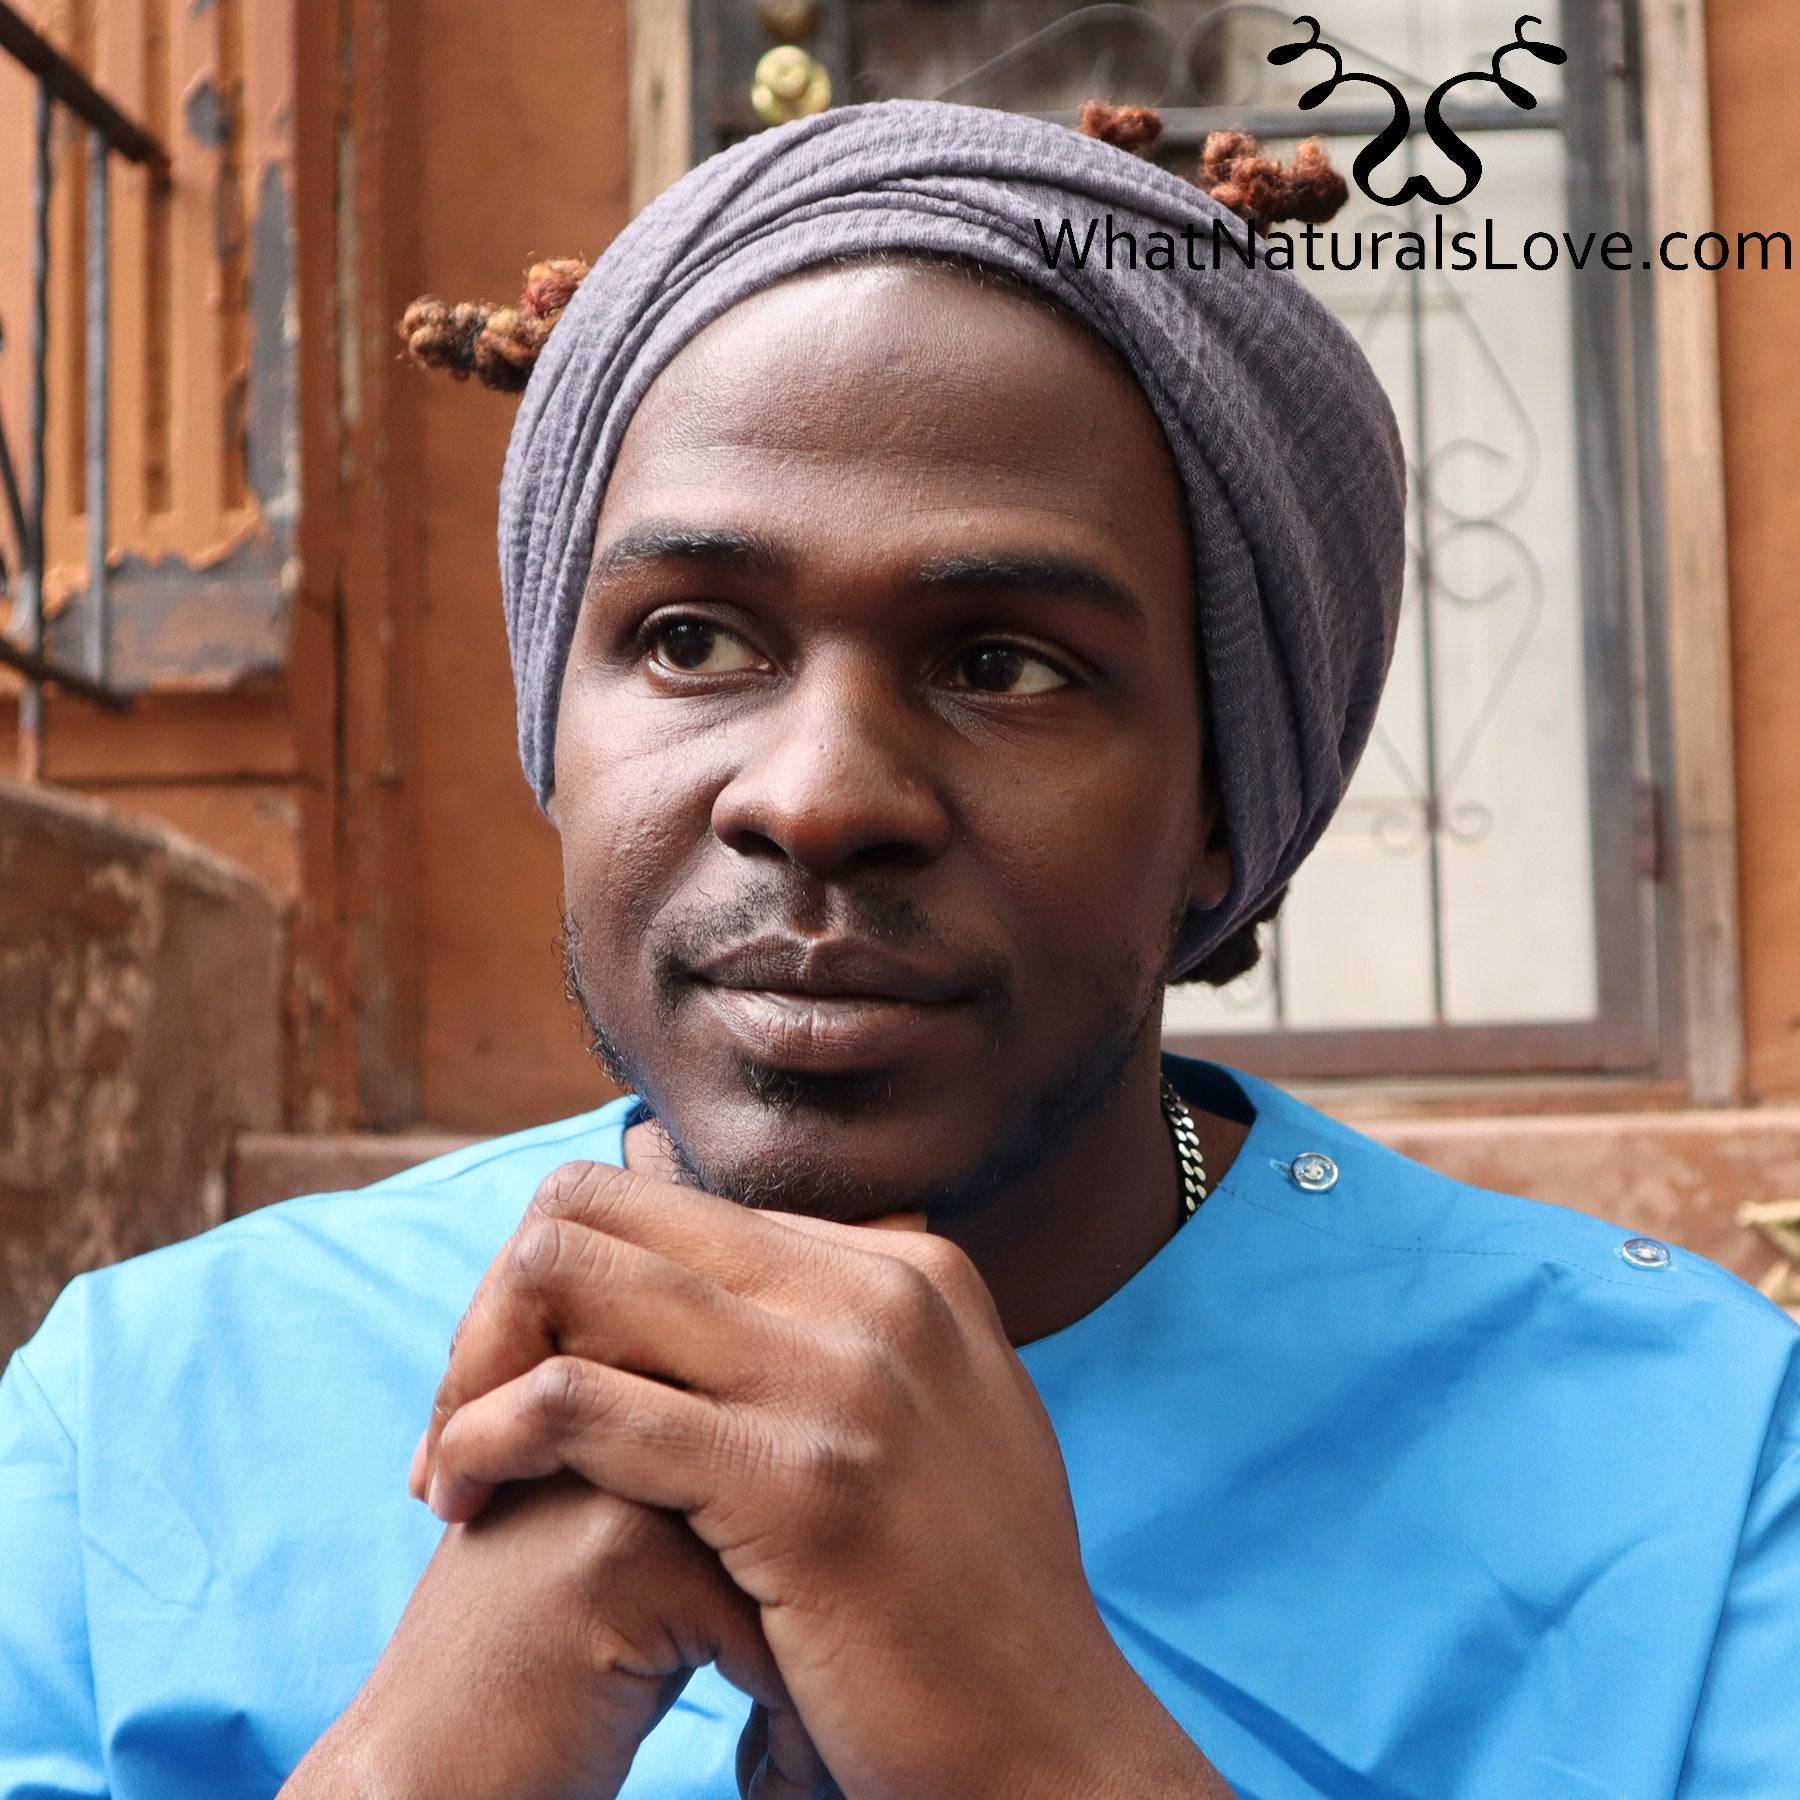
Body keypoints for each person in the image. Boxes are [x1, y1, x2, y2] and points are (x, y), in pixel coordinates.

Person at [2, 96, 1795, 1800]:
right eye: (692, 640)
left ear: (1225, 803)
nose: (818, 797)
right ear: (554, 725)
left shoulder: (1692, 1469)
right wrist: (435, 1747)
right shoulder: (150, 1413)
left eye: (1006, 664)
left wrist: (1039, 1741)